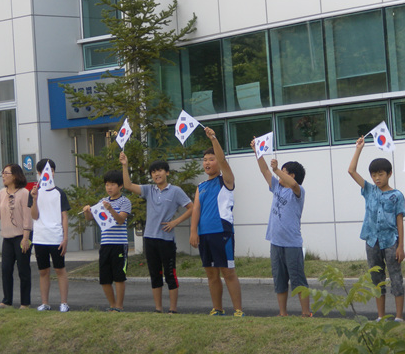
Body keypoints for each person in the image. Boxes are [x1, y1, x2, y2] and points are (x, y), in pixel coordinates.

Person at [120, 151, 193, 314]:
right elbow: (128, 185)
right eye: (153, 172)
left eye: (159, 170)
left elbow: (192, 207)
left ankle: (173, 309)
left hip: (166, 240)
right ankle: (158, 309)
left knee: (170, 274)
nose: (156, 174)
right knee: (155, 275)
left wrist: (175, 222)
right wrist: (125, 166)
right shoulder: (149, 190)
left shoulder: (176, 191)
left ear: (167, 172)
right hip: (149, 239)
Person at [250, 140, 310, 317]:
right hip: (275, 242)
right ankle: (282, 313)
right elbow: (264, 171)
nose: (279, 175)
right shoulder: (277, 187)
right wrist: (257, 151)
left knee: (298, 280)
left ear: (292, 175)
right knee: (279, 280)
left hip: (292, 243)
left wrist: (277, 170)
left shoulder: (298, 191)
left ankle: (306, 313)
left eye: (284, 172)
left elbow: (293, 185)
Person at [348, 136, 405, 322]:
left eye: (380, 174)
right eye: (374, 175)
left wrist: (401, 246)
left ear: (389, 174)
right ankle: (380, 316)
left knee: (396, 278)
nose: (377, 178)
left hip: (391, 242)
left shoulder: (396, 196)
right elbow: (351, 170)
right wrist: (359, 148)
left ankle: (398, 317)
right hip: (372, 241)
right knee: (376, 279)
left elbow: (399, 221)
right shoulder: (369, 190)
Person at [190, 127, 244, 317]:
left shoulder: (226, 180)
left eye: (211, 159)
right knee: (211, 274)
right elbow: (196, 209)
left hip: (222, 232)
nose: (207, 162)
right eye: (205, 159)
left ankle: (238, 310)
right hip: (204, 235)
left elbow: (223, 161)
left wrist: (213, 138)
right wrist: (193, 231)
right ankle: (217, 309)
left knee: (228, 272)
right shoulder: (201, 186)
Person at [0, 163, 32, 309]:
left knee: (23, 270)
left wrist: (26, 238)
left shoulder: (24, 193)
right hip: (7, 238)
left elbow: (27, 218)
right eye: (2, 173)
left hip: (21, 236)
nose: (3, 175)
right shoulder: (1, 193)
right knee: (6, 269)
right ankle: (7, 301)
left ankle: (25, 303)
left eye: (6, 173)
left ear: (15, 175)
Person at [83, 169, 131, 312]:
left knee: (119, 277)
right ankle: (112, 305)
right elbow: (90, 218)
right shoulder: (102, 201)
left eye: (112, 184)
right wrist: (87, 211)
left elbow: (121, 220)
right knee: (104, 277)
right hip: (105, 244)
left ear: (120, 186)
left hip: (119, 244)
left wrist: (110, 209)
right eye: (107, 185)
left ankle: (119, 306)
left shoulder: (125, 201)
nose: (109, 188)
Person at [29, 158, 71, 312]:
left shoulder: (59, 193)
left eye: (52, 170)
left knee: (60, 269)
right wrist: (34, 199)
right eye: (46, 171)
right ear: (39, 173)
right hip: (40, 237)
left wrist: (65, 238)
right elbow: (34, 216)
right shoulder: (34, 192)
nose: (49, 173)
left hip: (56, 237)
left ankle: (64, 302)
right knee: (43, 271)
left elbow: (64, 216)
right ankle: (45, 303)